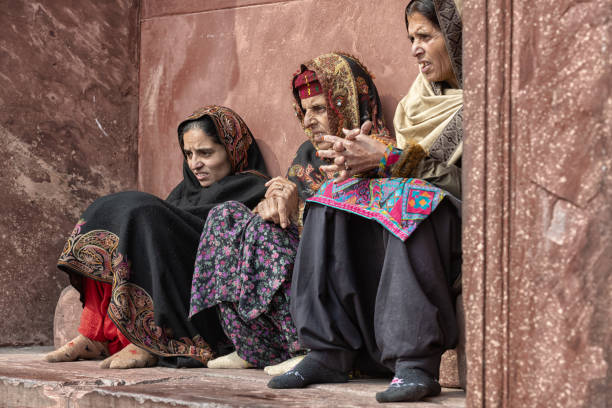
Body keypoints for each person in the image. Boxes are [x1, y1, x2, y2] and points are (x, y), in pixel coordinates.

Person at [268, 0, 463, 403]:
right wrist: (361, 162)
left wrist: (390, 159)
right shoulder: (414, 105)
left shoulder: (488, 105)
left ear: (458, 38)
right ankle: (328, 350)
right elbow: (401, 168)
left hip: (467, 216)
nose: (414, 48)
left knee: (413, 200)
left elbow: (479, 185)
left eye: (425, 36)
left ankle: (414, 363)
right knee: (332, 195)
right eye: (411, 38)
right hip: (428, 202)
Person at [189, 52, 392, 373]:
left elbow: (360, 233)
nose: (308, 119)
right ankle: (255, 344)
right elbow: (284, 216)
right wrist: (273, 206)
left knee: (264, 232)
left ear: (346, 103)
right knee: (225, 217)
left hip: (349, 284)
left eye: (319, 109)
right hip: (306, 267)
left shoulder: (373, 150)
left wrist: (297, 210)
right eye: (304, 110)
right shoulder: (308, 153)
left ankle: (309, 346)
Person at [44, 105, 269, 369]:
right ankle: (94, 334)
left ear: (234, 150)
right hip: (173, 268)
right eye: (188, 154)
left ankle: (148, 341)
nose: (195, 164)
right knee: (115, 213)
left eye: (206, 153)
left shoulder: (254, 188)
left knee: (143, 214)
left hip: (204, 288)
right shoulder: (185, 191)